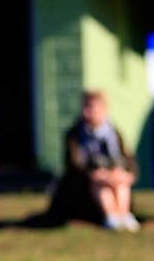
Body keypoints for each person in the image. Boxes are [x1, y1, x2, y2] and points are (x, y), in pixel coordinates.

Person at [43, 90, 140, 231]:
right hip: (84, 185)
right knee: (101, 184)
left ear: (104, 109)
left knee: (120, 182)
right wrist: (95, 174)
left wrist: (128, 174)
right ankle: (111, 216)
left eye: (92, 107)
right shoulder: (75, 134)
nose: (87, 112)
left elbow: (127, 158)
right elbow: (74, 164)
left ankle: (124, 215)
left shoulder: (114, 133)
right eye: (85, 107)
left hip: (113, 175)